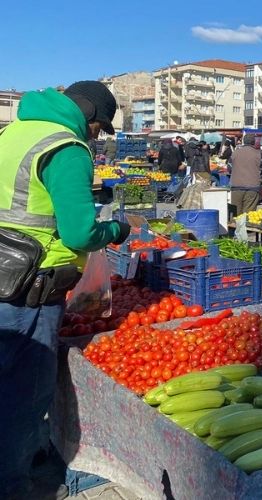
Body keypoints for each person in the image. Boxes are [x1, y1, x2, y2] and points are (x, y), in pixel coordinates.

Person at [0, 81, 130, 499]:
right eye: (98, 126)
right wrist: (115, 230)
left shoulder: (12, 134)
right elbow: (79, 232)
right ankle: (14, 485)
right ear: (87, 111)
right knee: (23, 396)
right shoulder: (66, 147)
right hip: (29, 293)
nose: (96, 135)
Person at [228, 135, 262, 217]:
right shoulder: (259, 153)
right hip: (252, 187)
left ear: (244, 142)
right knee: (249, 215)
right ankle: (246, 229)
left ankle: (236, 229)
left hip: (236, 187)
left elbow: (229, 168)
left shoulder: (235, 153)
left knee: (236, 214)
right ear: (253, 142)